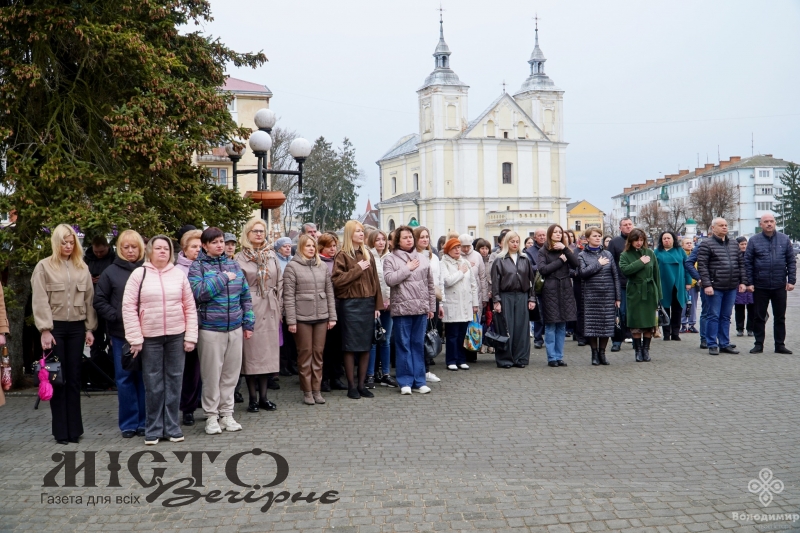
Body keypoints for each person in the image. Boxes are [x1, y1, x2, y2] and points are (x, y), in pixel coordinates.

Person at [122, 235, 197, 445]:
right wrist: (135, 338)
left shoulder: (179, 275)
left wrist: (190, 336)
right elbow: (128, 307)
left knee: (174, 381)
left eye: (166, 248)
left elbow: (190, 306)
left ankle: (172, 427)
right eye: (158, 248)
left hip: (176, 335)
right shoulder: (139, 274)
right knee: (153, 383)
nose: (163, 251)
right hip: (150, 337)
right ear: (150, 251)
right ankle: (153, 428)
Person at [32, 224, 97, 444]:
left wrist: (90, 328)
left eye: (72, 242)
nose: (68, 246)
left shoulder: (82, 267)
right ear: (56, 243)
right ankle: (61, 431)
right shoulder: (44, 267)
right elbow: (40, 300)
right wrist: (45, 330)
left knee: (74, 378)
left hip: (77, 328)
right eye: (64, 242)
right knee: (57, 378)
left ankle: (75, 430)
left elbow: (89, 300)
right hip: (55, 328)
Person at [188, 227, 255, 434]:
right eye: (215, 242)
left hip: (234, 328)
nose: (220, 245)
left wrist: (248, 322)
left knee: (230, 375)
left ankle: (227, 414)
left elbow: (245, 296)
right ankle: (211, 416)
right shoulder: (196, 267)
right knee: (211, 375)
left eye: (222, 242)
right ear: (205, 246)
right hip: (210, 330)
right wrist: (223, 278)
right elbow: (199, 293)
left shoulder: (233, 264)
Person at [93, 229, 146, 438]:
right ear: (120, 249)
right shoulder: (110, 272)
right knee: (124, 379)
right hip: (120, 334)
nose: (131, 251)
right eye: (126, 247)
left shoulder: (148, 270)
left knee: (144, 378)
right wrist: (116, 315)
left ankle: (144, 421)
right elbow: (99, 300)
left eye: (134, 247)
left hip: (146, 334)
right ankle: (128, 423)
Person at [331, 220, 384, 399]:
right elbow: (337, 282)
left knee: (365, 346)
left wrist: (378, 306)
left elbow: (375, 282)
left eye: (362, 231)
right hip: (350, 305)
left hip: (367, 304)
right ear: (349, 234)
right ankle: (351, 386)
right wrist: (357, 268)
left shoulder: (368, 253)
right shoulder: (342, 255)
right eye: (358, 231)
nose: (361, 234)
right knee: (350, 347)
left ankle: (362, 385)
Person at [283, 234, 337, 405]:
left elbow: (330, 293)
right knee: (305, 354)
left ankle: (317, 390)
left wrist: (332, 316)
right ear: (300, 247)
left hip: (321, 316)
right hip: (302, 317)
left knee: (318, 354)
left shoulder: (321, 267)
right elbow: (288, 297)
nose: (312, 249)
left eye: (313, 246)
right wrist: (291, 321)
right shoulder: (292, 267)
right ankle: (307, 391)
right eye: (307, 246)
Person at [235, 218, 281, 412]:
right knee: (252, 356)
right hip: (251, 308)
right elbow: (238, 286)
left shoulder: (272, 255)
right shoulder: (239, 258)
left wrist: (279, 305)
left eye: (262, 231)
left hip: (270, 307)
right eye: (255, 231)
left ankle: (264, 397)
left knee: (267, 356)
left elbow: (281, 281)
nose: (259, 234)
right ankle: (252, 398)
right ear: (247, 233)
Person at [383, 226, 435, 394]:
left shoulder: (423, 258)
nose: (409, 240)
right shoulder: (390, 259)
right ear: (398, 240)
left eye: (410, 237)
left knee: (418, 345)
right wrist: (407, 268)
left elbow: (430, 285)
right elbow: (390, 280)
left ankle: (419, 381)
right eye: (405, 237)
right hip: (402, 309)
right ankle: (405, 381)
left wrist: (431, 307)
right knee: (403, 345)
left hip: (420, 308)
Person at [744, 213, 796, 354]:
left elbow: (791, 261)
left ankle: (780, 345)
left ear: (775, 223)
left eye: (771, 221)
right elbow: (747, 263)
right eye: (766, 221)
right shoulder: (754, 241)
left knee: (780, 317)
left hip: (780, 285)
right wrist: (749, 282)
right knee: (759, 316)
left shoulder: (784, 239)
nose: (769, 224)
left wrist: (791, 280)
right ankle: (758, 344)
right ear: (761, 224)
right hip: (760, 285)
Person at [696, 218, 746, 356]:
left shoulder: (733, 244)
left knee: (726, 316)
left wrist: (742, 282)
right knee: (714, 315)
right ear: (713, 228)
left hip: (731, 286)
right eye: (721, 225)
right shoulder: (706, 244)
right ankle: (712, 343)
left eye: (726, 225)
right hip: (715, 286)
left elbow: (741, 264)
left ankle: (724, 343)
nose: (724, 227)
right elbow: (702, 266)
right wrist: (707, 284)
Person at [537, 225, 578, 367]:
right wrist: (560, 261)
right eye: (555, 232)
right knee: (551, 325)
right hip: (550, 289)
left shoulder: (565, 250)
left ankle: (559, 356)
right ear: (550, 234)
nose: (558, 234)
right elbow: (543, 270)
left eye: (560, 232)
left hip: (565, 288)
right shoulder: (543, 251)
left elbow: (576, 264)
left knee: (562, 324)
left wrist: (565, 250)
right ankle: (551, 357)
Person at [577, 227, 620, 365]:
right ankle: (594, 354)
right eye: (594, 236)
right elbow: (582, 273)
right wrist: (598, 264)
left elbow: (615, 276)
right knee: (592, 327)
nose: (597, 238)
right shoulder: (582, 255)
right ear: (587, 238)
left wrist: (617, 297)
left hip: (607, 295)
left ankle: (602, 353)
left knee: (606, 326)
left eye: (599, 236)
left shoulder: (608, 254)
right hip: (591, 295)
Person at [174, 229, 203, 425]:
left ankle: (205, 402)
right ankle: (188, 407)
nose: (198, 250)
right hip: (186, 325)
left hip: (210, 323)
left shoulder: (207, 266)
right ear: (184, 249)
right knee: (190, 370)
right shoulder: (177, 270)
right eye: (194, 246)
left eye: (201, 246)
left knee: (206, 368)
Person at [619, 228, 661, 362]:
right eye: (636, 240)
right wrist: (640, 262)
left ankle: (646, 350)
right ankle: (637, 351)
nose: (639, 243)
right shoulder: (625, 255)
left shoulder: (650, 253)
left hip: (649, 290)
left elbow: (656, 274)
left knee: (649, 322)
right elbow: (626, 270)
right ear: (630, 241)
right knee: (636, 322)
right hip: (635, 291)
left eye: (641, 240)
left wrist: (658, 295)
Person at [440, 238, 479, 370]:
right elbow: (447, 281)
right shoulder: (444, 263)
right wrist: (461, 272)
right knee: (452, 334)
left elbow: (473, 284)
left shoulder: (465, 262)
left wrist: (475, 303)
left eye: (458, 247)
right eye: (454, 248)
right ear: (448, 250)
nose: (458, 250)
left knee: (463, 333)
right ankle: (451, 360)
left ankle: (461, 359)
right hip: (453, 303)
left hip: (466, 304)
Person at [366, 230, 398, 388]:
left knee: (386, 340)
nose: (381, 242)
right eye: (377, 239)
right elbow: (370, 283)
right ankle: (370, 374)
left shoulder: (390, 257)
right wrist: (375, 304)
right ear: (371, 241)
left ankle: (385, 373)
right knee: (373, 340)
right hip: (374, 305)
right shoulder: (368, 256)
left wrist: (391, 299)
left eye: (383, 239)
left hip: (389, 304)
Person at [318, 233, 347, 392]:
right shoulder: (318, 263)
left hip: (339, 306)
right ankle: (324, 378)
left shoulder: (338, 261)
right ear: (322, 247)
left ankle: (337, 376)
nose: (333, 249)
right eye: (329, 246)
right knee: (326, 346)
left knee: (338, 345)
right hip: (324, 308)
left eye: (335, 246)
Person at [413, 226, 442, 383]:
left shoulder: (434, 257)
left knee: (430, 334)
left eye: (427, 237)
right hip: (418, 300)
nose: (425, 239)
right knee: (420, 336)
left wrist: (440, 302)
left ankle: (427, 369)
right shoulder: (413, 256)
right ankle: (419, 370)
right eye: (421, 237)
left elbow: (439, 279)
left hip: (434, 299)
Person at [654, 231, 692, 341]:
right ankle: (666, 333)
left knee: (677, 309)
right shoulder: (657, 252)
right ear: (661, 240)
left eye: (669, 238)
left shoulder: (680, 251)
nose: (666, 240)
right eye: (664, 238)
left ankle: (675, 333)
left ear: (673, 239)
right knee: (664, 309)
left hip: (678, 283)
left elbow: (687, 267)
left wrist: (688, 282)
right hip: (663, 284)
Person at [85, 235, 114, 362]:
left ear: (107, 247)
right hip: (92, 301)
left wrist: (104, 277)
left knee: (111, 335)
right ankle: (95, 363)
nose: (98, 254)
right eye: (96, 252)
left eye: (101, 251)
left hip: (109, 301)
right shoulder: (87, 259)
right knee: (95, 336)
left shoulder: (114, 258)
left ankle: (111, 364)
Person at [607, 218, 634, 351]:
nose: (628, 227)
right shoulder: (615, 242)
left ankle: (636, 340)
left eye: (630, 224)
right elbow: (609, 263)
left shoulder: (638, 241)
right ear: (620, 228)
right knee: (620, 313)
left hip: (636, 284)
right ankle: (617, 340)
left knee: (634, 313)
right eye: (625, 225)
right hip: (620, 283)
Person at [525, 228, 547, 349]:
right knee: (539, 313)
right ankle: (538, 338)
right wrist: (542, 266)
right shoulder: (529, 251)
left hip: (551, 285)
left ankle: (548, 337)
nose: (542, 237)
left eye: (544, 235)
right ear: (535, 237)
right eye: (540, 235)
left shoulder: (550, 248)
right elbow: (529, 267)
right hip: (537, 286)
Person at [734, 236, 755, 338]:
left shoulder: (752, 255)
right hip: (739, 285)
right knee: (739, 308)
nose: (744, 246)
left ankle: (750, 329)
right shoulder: (735, 256)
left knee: (752, 308)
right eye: (742, 244)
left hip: (751, 284)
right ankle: (739, 329)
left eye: (745, 244)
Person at [680, 238, 700, 335]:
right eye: (687, 243)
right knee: (683, 305)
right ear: (682, 245)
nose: (689, 245)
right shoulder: (681, 255)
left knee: (693, 305)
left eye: (690, 243)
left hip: (694, 284)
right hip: (683, 284)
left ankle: (692, 324)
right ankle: (683, 324)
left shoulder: (696, 255)